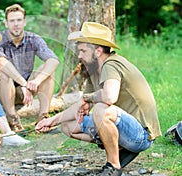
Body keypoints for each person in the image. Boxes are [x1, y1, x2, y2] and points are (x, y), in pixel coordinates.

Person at [35, 22, 161, 176]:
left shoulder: (111, 64)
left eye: (82, 51)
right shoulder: (94, 70)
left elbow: (109, 97)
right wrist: (51, 121)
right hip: (123, 127)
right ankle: (118, 147)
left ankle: (114, 166)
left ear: (98, 51)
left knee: (102, 109)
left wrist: (89, 98)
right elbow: (80, 104)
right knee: (68, 125)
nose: (79, 55)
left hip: (141, 135)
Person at [0, 4, 60, 132]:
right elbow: (0, 62)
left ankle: (43, 118)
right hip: (0, 90)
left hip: (25, 91)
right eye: (12, 21)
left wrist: (35, 82)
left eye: (19, 20)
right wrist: (23, 83)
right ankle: (12, 119)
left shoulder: (33, 38)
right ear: (6, 23)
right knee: (2, 73)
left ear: (24, 22)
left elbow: (53, 60)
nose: (16, 24)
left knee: (47, 70)